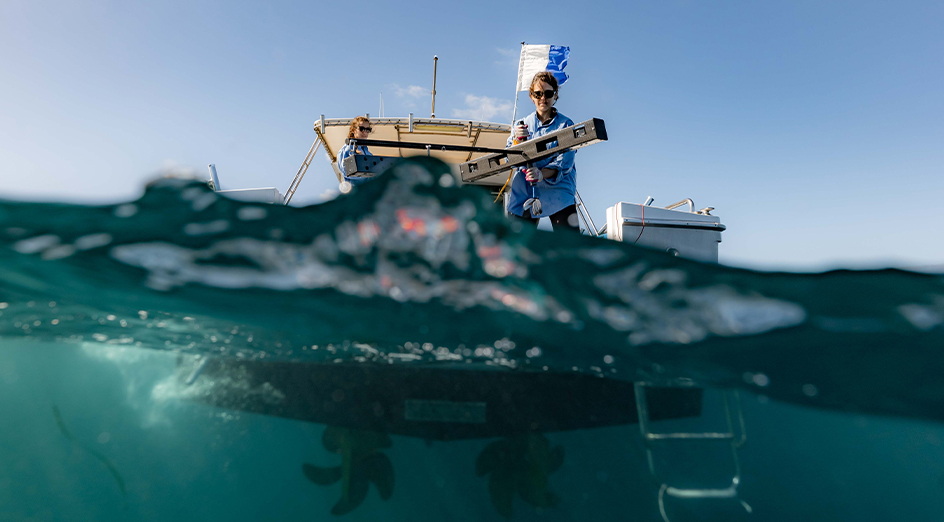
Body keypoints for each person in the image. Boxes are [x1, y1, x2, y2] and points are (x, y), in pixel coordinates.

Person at [505, 71, 578, 230]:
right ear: (531, 96)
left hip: (558, 195)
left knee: (570, 247)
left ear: (555, 95)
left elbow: (566, 162)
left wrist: (541, 173)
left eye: (548, 93)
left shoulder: (566, 124)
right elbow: (508, 160)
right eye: (538, 94)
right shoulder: (520, 125)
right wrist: (517, 141)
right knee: (515, 247)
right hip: (524, 194)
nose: (543, 98)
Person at [336, 116, 374, 187]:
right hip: (356, 192)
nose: (365, 132)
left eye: (368, 129)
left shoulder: (369, 154)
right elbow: (347, 171)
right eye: (362, 129)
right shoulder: (346, 150)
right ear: (353, 130)